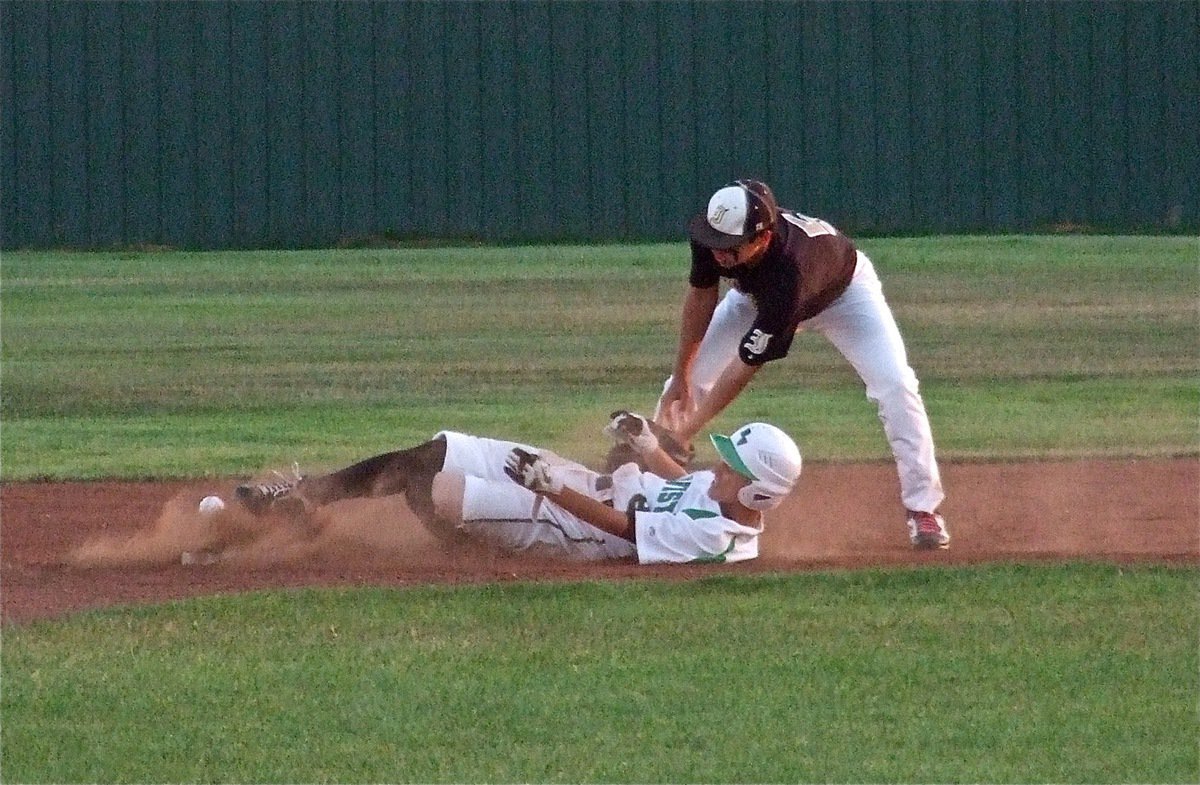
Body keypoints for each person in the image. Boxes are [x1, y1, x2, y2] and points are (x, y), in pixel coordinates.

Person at [654, 179, 949, 550]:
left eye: (729, 248)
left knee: (896, 385)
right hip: (753, 297)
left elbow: (743, 368)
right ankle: (648, 486)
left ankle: (924, 509)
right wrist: (682, 374)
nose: (718, 254)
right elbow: (701, 297)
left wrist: (690, 429)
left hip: (845, 297)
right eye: (714, 242)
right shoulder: (716, 232)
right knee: (685, 383)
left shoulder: (791, 276)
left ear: (761, 238)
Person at [233, 412, 803, 565]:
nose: (721, 468)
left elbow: (625, 530)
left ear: (758, 495)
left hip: (572, 522)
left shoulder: (716, 541)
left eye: (734, 467)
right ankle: (304, 498)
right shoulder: (722, 496)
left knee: (433, 487)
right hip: (586, 484)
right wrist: (648, 450)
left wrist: (551, 487)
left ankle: (460, 551)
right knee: (437, 450)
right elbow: (689, 483)